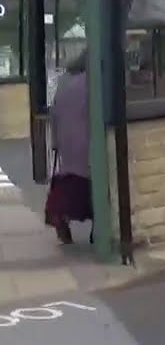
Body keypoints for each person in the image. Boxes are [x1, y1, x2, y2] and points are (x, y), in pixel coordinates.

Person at [45, 51, 93, 245]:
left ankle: (61, 213)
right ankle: (98, 228)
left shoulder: (65, 82)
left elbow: (54, 113)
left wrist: (56, 142)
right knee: (94, 184)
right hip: (88, 140)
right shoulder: (92, 82)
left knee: (72, 179)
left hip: (67, 141)